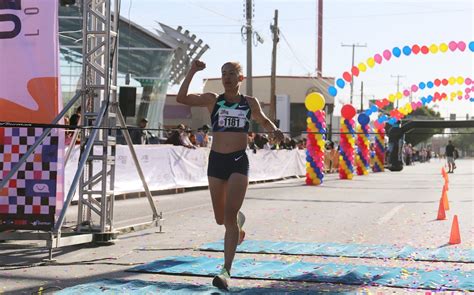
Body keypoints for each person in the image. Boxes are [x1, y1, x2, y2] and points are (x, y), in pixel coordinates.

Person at [176, 60, 284, 290]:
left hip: (237, 161)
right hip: (216, 162)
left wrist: (274, 131)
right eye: (223, 73)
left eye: (232, 73)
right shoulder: (212, 100)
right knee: (221, 218)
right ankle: (237, 226)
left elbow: (264, 121)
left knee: (230, 215)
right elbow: (181, 98)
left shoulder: (249, 103)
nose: (227, 77)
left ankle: (226, 270)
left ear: (240, 78)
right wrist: (192, 71)